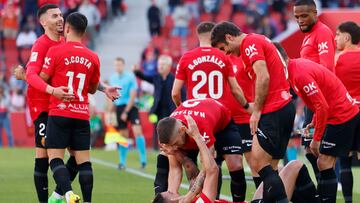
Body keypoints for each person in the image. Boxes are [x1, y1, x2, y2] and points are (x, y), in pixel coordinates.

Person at [13, 4, 120, 203]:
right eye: (54, 16)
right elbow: (34, 75)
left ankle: (58, 195)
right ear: (43, 22)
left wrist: (104, 88)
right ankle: (49, 199)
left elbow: (82, 77)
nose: (60, 19)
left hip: (63, 108)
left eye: (61, 15)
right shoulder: (41, 44)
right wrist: (45, 86)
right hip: (43, 106)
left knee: (75, 155)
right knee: (43, 157)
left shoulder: (64, 44)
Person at [211, 21, 295, 203]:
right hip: (283, 106)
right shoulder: (257, 41)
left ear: (229, 37)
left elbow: (263, 76)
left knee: (257, 163)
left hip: (274, 109)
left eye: (223, 48)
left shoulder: (250, 43)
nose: (226, 53)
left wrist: (256, 111)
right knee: (270, 168)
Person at [154, 116, 319, 203]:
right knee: (295, 166)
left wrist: (177, 154)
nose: (171, 190)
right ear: (173, 200)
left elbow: (196, 177)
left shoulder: (191, 199)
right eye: (168, 192)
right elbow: (212, 170)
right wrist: (197, 136)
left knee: (279, 172)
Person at [172, 22, 250, 202]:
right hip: (221, 118)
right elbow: (235, 89)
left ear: (198, 35)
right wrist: (248, 108)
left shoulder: (187, 57)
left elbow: (175, 92)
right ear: (214, 35)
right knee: (235, 164)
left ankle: (205, 199)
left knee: (205, 165)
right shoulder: (223, 56)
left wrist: (185, 110)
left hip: (197, 121)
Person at [275, 42, 360, 203]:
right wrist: (314, 122)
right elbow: (319, 100)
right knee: (323, 161)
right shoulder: (294, 70)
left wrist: (317, 138)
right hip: (340, 112)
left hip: (342, 115)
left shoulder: (298, 74)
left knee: (324, 161)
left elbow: (322, 105)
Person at [39, 12, 101, 203]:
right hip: (82, 114)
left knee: (55, 158)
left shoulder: (56, 51)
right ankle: (88, 201)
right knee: (84, 162)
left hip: (59, 112)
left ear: (66, 28)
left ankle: (67, 194)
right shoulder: (93, 57)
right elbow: (92, 88)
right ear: (84, 32)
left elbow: (42, 78)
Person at [157, 98, 244, 202]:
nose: (175, 148)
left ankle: (238, 201)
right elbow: (174, 168)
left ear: (182, 130)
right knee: (185, 165)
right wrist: (172, 194)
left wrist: (190, 195)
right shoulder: (169, 130)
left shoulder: (201, 127)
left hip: (222, 127)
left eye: (175, 143)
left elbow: (208, 169)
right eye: (171, 145)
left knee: (235, 166)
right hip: (194, 127)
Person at [293, 0, 336, 177]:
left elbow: (326, 70)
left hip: (320, 101)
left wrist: (318, 103)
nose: (300, 20)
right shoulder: (309, 35)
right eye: (297, 17)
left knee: (320, 152)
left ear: (315, 13)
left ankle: (326, 190)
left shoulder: (322, 32)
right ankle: (323, 188)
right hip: (312, 104)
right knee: (309, 149)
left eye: (304, 16)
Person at [334, 21, 360, 203]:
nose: (335, 38)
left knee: (344, 160)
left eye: (337, 34)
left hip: (346, 114)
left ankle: (349, 202)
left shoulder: (336, 59)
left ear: (347, 37)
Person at [109, 57, 147, 170]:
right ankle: (122, 162)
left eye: (119, 65)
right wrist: (111, 112)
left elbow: (133, 94)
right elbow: (112, 96)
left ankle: (143, 160)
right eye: (116, 65)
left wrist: (126, 111)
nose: (117, 67)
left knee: (137, 132)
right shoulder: (113, 78)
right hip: (119, 107)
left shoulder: (130, 77)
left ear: (123, 65)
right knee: (123, 135)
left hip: (131, 106)